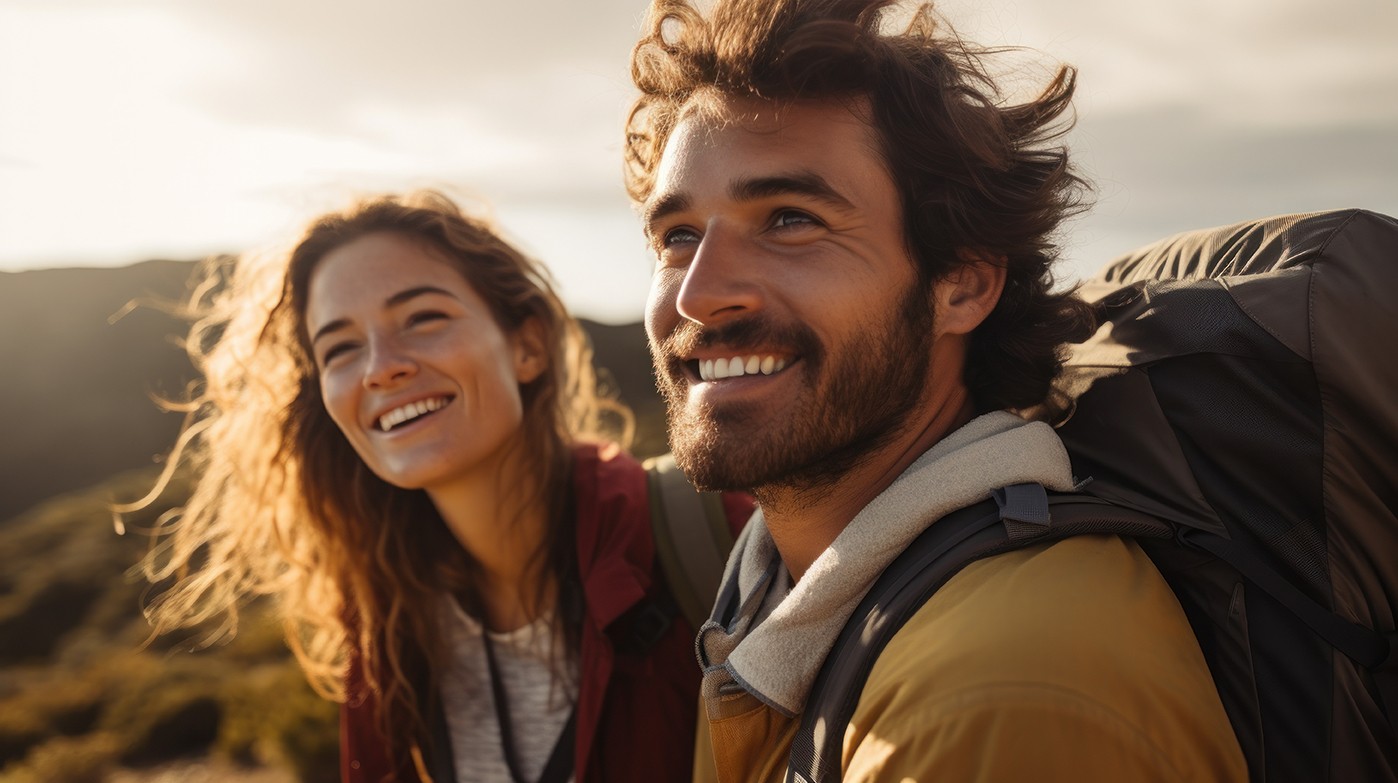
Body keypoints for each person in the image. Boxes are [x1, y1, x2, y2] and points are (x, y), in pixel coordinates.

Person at [624, 0, 1248, 780]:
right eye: (677, 235)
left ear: (963, 284)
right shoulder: (774, 594)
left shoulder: (1003, 692)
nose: (699, 293)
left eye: (789, 218)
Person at [132, 191, 752, 782]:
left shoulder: (719, 542)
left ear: (528, 346)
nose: (381, 367)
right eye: (341, 348)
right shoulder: (386, 623)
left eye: (422, 318)